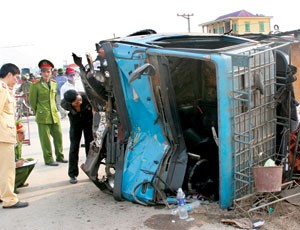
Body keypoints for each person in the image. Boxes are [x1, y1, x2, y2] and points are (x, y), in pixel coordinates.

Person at [29, 59, 68, 166]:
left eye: (48, 72)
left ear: (51, 72)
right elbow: (32, 101)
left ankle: (60, 156)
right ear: (40, 73)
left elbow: (54, 99)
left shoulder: (54, 83)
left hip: (54, 114)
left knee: (58, 137)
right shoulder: (35, 85)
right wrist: (39, 111)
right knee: (45, 140)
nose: (46, 74)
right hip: (43, 115)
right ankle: (49, 159)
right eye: (44, 72)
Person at [0, 63, 29, 208]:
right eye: (16, 77)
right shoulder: (2, 89)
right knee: (7, 170)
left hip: (5, 134)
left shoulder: (5, 89)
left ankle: (3, 195)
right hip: (3, 136)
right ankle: (9, 200)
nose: (16, 81)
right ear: (9, 74)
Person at [61, 90, 94, 184]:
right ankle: (72, 174)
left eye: (79, 99)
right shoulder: (64, 104)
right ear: (70, 103)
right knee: (74, 147)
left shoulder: (86, 96)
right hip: (75, 122)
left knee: (90, 145)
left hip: (88, 121)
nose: (80, 102)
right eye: (76, 102)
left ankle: (90, 170)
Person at [14, 120, 36, 193]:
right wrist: (15, 164)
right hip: (6, 168)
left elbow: (17, 157)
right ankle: (11, 188)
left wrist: (22, 160)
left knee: (30, 161)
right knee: (23, 169)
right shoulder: (9, 144)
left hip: (12, 164)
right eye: (21, 133)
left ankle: (19, 183)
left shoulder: (18, 142)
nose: (24, 135)